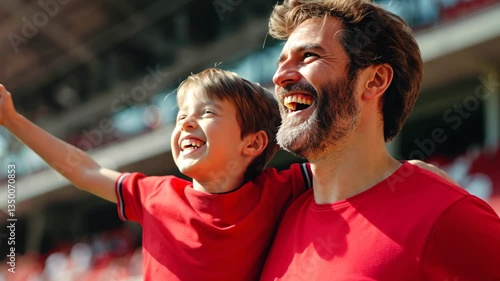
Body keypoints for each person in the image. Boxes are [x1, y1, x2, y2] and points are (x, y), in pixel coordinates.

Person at [260, 0, 500, 280]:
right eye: (282, 62)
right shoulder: (276, 219)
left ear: (374, 80)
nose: (279, 77)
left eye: (310, 56)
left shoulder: (447, 215)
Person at [0, 68, 312, 281]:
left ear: (253, 142)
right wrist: (12, 120)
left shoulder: (282, 189)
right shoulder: (155, 195)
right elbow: (84, 169)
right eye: (181, 116)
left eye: (207, 112)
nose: (186, 123)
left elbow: (347, 148)